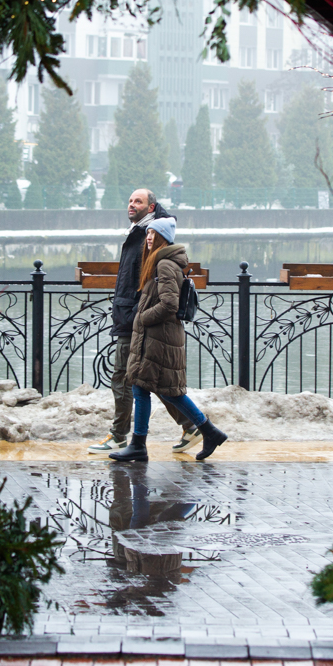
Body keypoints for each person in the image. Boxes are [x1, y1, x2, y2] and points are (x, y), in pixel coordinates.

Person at [88, 189, 199, 454]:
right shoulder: (143, 232)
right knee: (147, 380)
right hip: (133, 316)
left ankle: (119, 436)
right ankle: (193, 426)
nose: (131, 205)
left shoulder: (148, 237)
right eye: (129, 200)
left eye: (138, 201)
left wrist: (139, 315)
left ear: (151, 208)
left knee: (125, 378)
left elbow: (149, 285)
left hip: (135, 320)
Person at [110, 217, 227, 462]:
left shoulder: (164, 265)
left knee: (169, 391)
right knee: (143, 387)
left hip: (159, 338)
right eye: (148, 233)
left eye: (154, 234)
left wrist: (141, 318)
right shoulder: (159, 262)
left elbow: (169, 305)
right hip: (156, 337)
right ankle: (141, 444)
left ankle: (207, 431)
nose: (149, 237)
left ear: (164, 238)